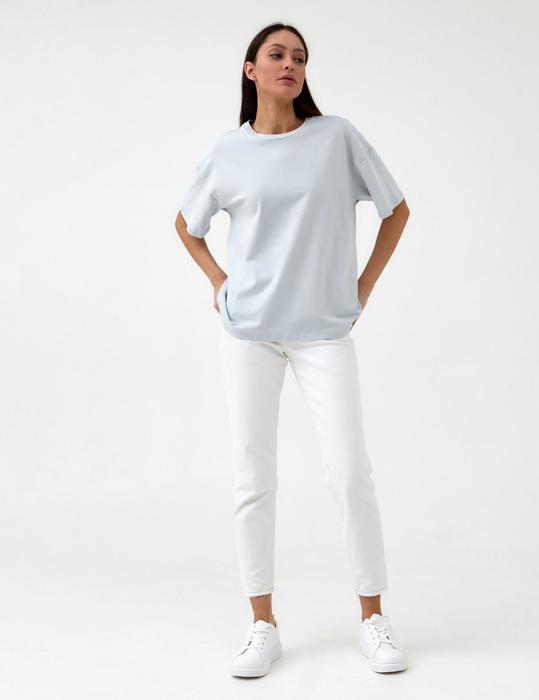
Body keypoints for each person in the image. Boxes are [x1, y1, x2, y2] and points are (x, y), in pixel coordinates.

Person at [174, 22, 410, 677]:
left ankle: (373, 617)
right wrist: (219, 281)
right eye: (277, 55)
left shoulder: (336, 138)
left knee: (351, 473)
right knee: (253, 478)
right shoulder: (228, 151)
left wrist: (362, 287)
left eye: (300, 58)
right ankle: (262, 624)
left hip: (324, 333)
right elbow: (186, 225)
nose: (291, 65)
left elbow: (395, 210)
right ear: (250, 69)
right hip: (249, 333)